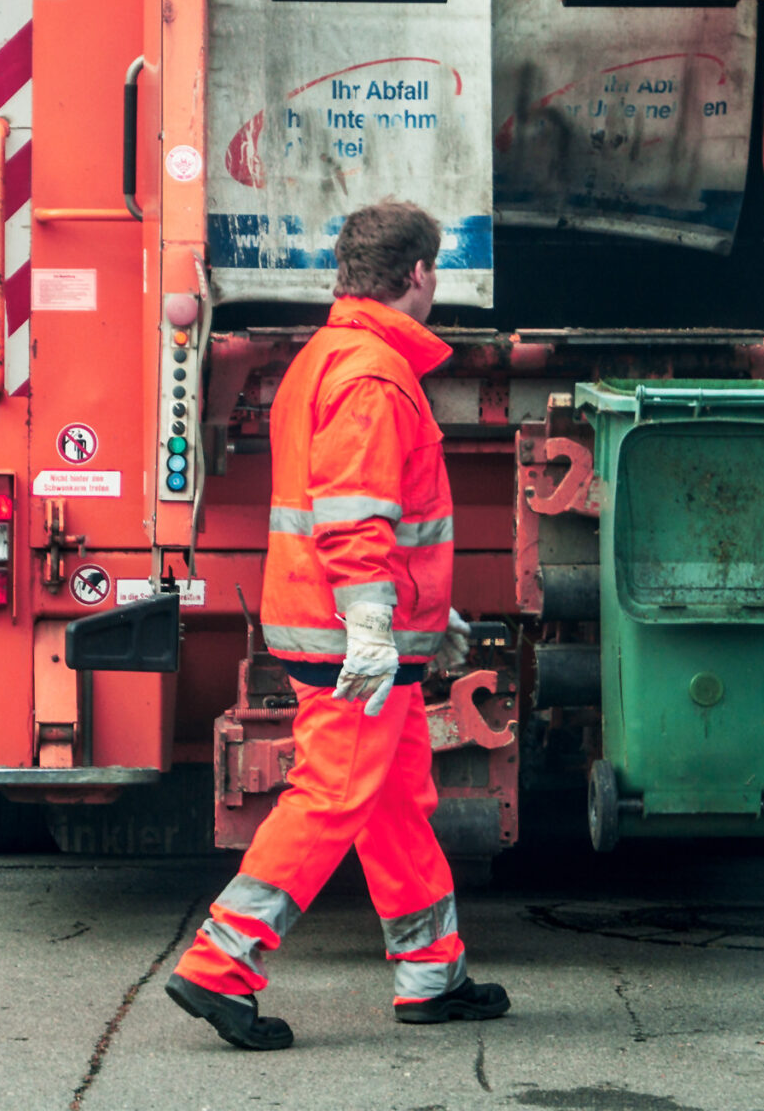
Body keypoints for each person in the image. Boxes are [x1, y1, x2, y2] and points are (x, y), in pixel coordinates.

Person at [166, 201, 510, 1051]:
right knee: (330, 798)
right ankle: (220, 965)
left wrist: (430, 616)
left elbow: (367, 516)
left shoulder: (330, 358)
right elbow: (356, 520)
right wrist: (373, 625)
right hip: (349, 640)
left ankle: (434, 972)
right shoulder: (372, 375)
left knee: (394, 800)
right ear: (421, 275)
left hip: (341, 626)